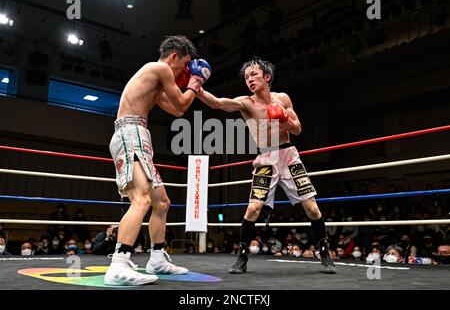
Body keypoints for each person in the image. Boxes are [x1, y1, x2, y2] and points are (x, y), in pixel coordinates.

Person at [198, 57, 335, 274]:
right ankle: (241, 258)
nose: (249, 80)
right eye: (246, 77)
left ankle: (325, 254)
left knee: (312, 207)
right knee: (253, 208)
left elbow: (297, 129)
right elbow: (219, 103)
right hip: (265, 159)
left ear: (267, 77)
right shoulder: (246, 103)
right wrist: (197, 87)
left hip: (288, 155)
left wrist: (285, 121)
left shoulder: (283, 99)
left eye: (253, 74)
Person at [104, 35, 211, 286]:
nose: (184, 71)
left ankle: (156, 259)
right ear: (173, 56)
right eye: (184, 65)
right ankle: (118, 265)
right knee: (141, 199)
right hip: (131, 133)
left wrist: (193, 87)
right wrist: (195, 81)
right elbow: (184, 101)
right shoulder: (160, 68)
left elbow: (178, 109)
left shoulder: (155, 79)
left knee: (161, 202)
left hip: (138, 134)